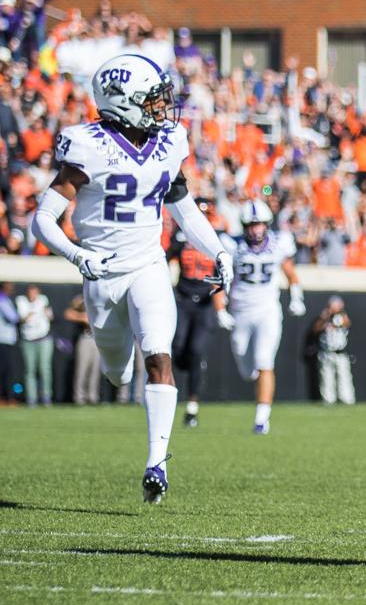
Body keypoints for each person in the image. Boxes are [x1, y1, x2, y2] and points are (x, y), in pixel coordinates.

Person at [31, 52, 232, 503]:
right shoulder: (86, 146)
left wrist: (217, 248)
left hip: (148, 264)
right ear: (123, 102)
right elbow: (43, 219)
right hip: (101, 273)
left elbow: (181, 204)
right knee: (118, 373)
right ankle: (133, 405)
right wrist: (76, 254)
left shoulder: (169, 141)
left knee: (158, 356)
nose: (163, 107)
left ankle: (156, 463)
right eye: (153, 99)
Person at [216, 200, 306, 434]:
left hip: (268, 309)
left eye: (260, 224)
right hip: (241, 311)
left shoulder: (279, 243)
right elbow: (219, 279)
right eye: (251, 224)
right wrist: (220, 309)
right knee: (247, 370)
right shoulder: (231, 245)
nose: (256, 229)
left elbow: (290, 271)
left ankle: (261, 418)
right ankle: (259, 393)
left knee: (265, 360)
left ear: (267, 224)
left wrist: (296, 296)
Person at [168, 197, 226, 428]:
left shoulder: (217, 241)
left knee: (196, 352)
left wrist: (221, 304)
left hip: (205, 303)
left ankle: (192, 408)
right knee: (178, 349)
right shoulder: (182, 238)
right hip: (183, 300)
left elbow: (225, 273)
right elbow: (163, 260)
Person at [314, 295, 356, 405]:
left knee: (344, 377)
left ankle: (346, 399)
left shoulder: (342, 316)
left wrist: (338, 315)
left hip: (340, 353)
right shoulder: (324, 317)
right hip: (326, 352)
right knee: (326, 377)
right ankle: (328, 400)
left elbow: (347, 323)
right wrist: (325, 317)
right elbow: (316, 329)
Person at [16, 284, 54, 406]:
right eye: (30, 292)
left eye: (35, 292)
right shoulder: (21, 301)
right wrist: (30, 314)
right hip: (28, 340)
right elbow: (22, 318)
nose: (32, 295)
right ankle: (31, 398)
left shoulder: (43, 300)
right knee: (30, 370)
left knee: (44, 368)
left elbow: (50, 316)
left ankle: (46, 396)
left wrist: (46, 312)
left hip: (43, 339)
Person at [64, 294, 100, 404]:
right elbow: (68, 313)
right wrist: (83, 317)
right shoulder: (83, 299)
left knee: (95, 370)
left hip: (98, 339)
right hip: (85, 338)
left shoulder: (101, 300)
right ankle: (79, 397)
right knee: (82, 368)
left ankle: (92, 397)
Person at [0, 282, 21, 403]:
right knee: (4, 370)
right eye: (9, 287)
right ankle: (4, 397)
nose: (12, 290)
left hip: (6, 340)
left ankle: (6, 396)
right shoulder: (2, 300)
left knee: (7, 369)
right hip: (3, 340)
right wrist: (24, 317)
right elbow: (13, 317)